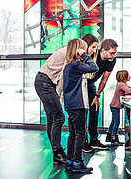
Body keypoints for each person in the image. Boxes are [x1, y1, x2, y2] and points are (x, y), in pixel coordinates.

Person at [34, 34, 99, 164]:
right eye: (91, 47)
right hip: (45, 82)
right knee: (58, 117)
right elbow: (63, 77)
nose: (92, 51)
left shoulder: (72, 55)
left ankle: (57, 152)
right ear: (81, 47)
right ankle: (57, 152)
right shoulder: (69, 54)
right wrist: (59, 95)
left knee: (53, 118)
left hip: (46, 82)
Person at [63, 38, 99, 173]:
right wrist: (84, 55)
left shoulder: (69, 66)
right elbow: (95, 67)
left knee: (73, 133)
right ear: (78, 50)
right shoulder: (76, 65)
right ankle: (77, 163)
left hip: (71, 105)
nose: (87, 52)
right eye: (83, 49)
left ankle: (70, 161)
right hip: (78, 105)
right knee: (80, 134)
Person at [83, 39, 119, 152]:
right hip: (82, 82)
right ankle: (83, 142)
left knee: (95, 109)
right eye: (111, 53)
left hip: (92, 84)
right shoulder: (93, 53)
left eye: (115, 53)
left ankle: (94, 140)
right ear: (103, 50)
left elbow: (104, 79)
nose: (113, 55)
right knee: (82, 112)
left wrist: (97, 96)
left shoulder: (112, 61)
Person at [105, 70, 131, 146]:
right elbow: (130, 91)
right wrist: (130, 89)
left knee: (113, 121)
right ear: (124, 77)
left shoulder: (121, 84)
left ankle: (109, 136)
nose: (129, 77)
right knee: (117, 122)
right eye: (128, 75)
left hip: (114, 106)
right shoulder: (121, 85)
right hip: (115, 106)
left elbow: (129, 90)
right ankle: (114, 138)